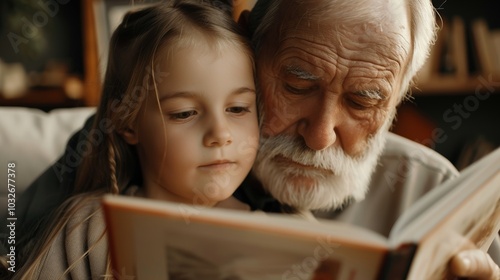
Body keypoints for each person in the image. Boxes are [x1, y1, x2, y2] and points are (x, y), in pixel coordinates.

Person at [2, 0, 499, 279]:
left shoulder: (431, 188)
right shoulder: (128, 148)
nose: (321, 134)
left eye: (364, 101)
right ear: (250, 47)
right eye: (297, 85)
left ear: (398, 100)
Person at [0, 1, 258, 278]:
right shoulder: (93, 229)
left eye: (238, 108)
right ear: (127, 122)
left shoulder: (272, 231)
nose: (221, 134)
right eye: (184, 113)